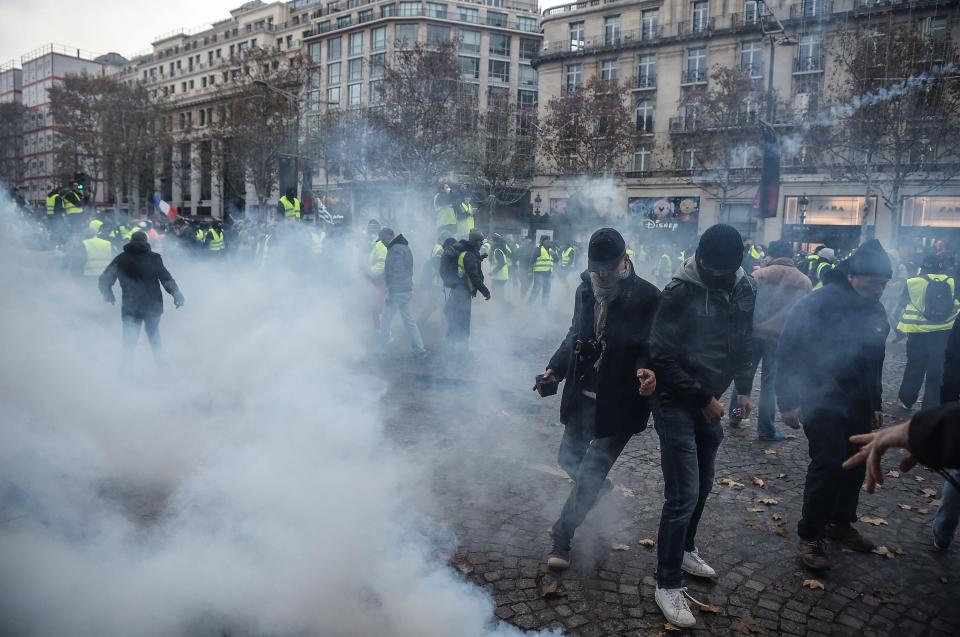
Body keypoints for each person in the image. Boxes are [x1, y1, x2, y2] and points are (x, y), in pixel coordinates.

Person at [648, 224, 756, 628]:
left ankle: (686, 549)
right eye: (714, 271)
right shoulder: (678, 292)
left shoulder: (745, 287)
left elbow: (745, 339)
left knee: (705, 483)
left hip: (710, 398)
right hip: (676, 399)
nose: (721, 278)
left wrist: (743, 389)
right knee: (684, 492)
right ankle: (667, 583)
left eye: (728, 272)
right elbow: (660, 355)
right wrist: (702, 397)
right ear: (701, 262)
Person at [537, 228, 659, 570]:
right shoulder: (585, 289)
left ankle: (562, 537)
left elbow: (651, 346)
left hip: (620, 401)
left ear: (625, 258)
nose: (603, 274)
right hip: (583, 394)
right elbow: (575, 332)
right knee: (568, 460)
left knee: (590, 472)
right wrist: (555, 369)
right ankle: (596, 488)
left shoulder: (648, 296)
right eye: (597, 268)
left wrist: (645, 370)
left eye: (609, 266)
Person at [776, 239, 892, 572]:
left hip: (858, 401)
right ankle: (811, 535)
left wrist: (876, 400)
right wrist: (788, 400)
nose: (880, 290)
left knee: (856, 463)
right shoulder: (817, 303)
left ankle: (840, 523)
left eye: (884, 284)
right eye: (874, 283)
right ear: (854, 276)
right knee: (827, 464)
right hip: (819, 395)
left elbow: (876, 358)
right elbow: (788, 348)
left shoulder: (875, 308)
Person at [728, 240, 811, 440]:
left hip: (754, 334)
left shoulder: (759, 275)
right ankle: (765, 429)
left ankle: (735, 416)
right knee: (769, 385)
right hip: (781, 339)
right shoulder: (804, 281)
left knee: (744, 376)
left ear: (772, 255)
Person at [98, 231, 184, 365]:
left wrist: (108, 295)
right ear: (146, 241)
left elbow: (104, 279)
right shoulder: (154, 258)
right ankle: (162, 365)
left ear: (131, 241)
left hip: (131, 306)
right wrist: (177, 294)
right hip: (153, 305)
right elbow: (166, 279)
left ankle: (125, 370)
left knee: (129, 339)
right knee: (154, 334)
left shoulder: (121, 259)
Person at [896, 254, 959, 410]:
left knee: (914, 366)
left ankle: (906, 399)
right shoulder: (951, 281)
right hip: (943, 332)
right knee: (937, 368)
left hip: (917, 332)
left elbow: (903, 302)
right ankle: (931, 404)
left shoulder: (912, 282)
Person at [379, 227, 427, 359]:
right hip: (405, 289)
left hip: (397, 291)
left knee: (385, 320)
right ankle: (419, 349)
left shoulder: (395, 250)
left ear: (389, 236)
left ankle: (382, 350)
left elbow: (398, 272)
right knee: (408, 320)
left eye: (383, 239)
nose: (382, 242)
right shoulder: (404, 247)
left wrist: (392, 292)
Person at [443, 229, 490, 350]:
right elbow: (473, 276)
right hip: (462, 292)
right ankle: (462, 350)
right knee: (463, 322)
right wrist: (486, 291)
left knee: (456, 319)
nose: (482, 244)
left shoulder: (467, 251)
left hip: (457, 290)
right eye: (480, 242)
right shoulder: (469, 254)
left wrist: (479, 258)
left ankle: (451, 346)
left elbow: (467, 265)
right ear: (475, 242)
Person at [368, 227, 389, 330]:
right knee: (377, 305)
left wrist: (371, 272)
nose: (370, 234)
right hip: (378, 280)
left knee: (379, 305)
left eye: (372, 232)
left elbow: (382, 263)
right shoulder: (376, 245)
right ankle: (379, 329)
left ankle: (382, 331)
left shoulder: (380, 245)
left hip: (380, 280)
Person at [528, 236, 557, 305]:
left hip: (548, 274)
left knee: (546, 291)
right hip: (539, 274)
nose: (548, 242)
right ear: (542, 241)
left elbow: (556, 260)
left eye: (549, 241)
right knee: (536, 290)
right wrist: (530, 272)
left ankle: (544, 307)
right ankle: (529, 305)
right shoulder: (538, 249)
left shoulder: (550, 250)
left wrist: (555, 255)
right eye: (547, 241)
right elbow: (532, 261)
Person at [489, 233, 511, 303]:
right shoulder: (498, 249)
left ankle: (509, 308)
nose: (490, 241)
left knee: (497, 296)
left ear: (495, 241)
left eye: (491, 240)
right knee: (497, 296)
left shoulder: (497, 251)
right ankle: (504, 310)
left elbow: (502, 263)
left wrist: (493, 271)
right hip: (500, 277)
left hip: (499, 277)